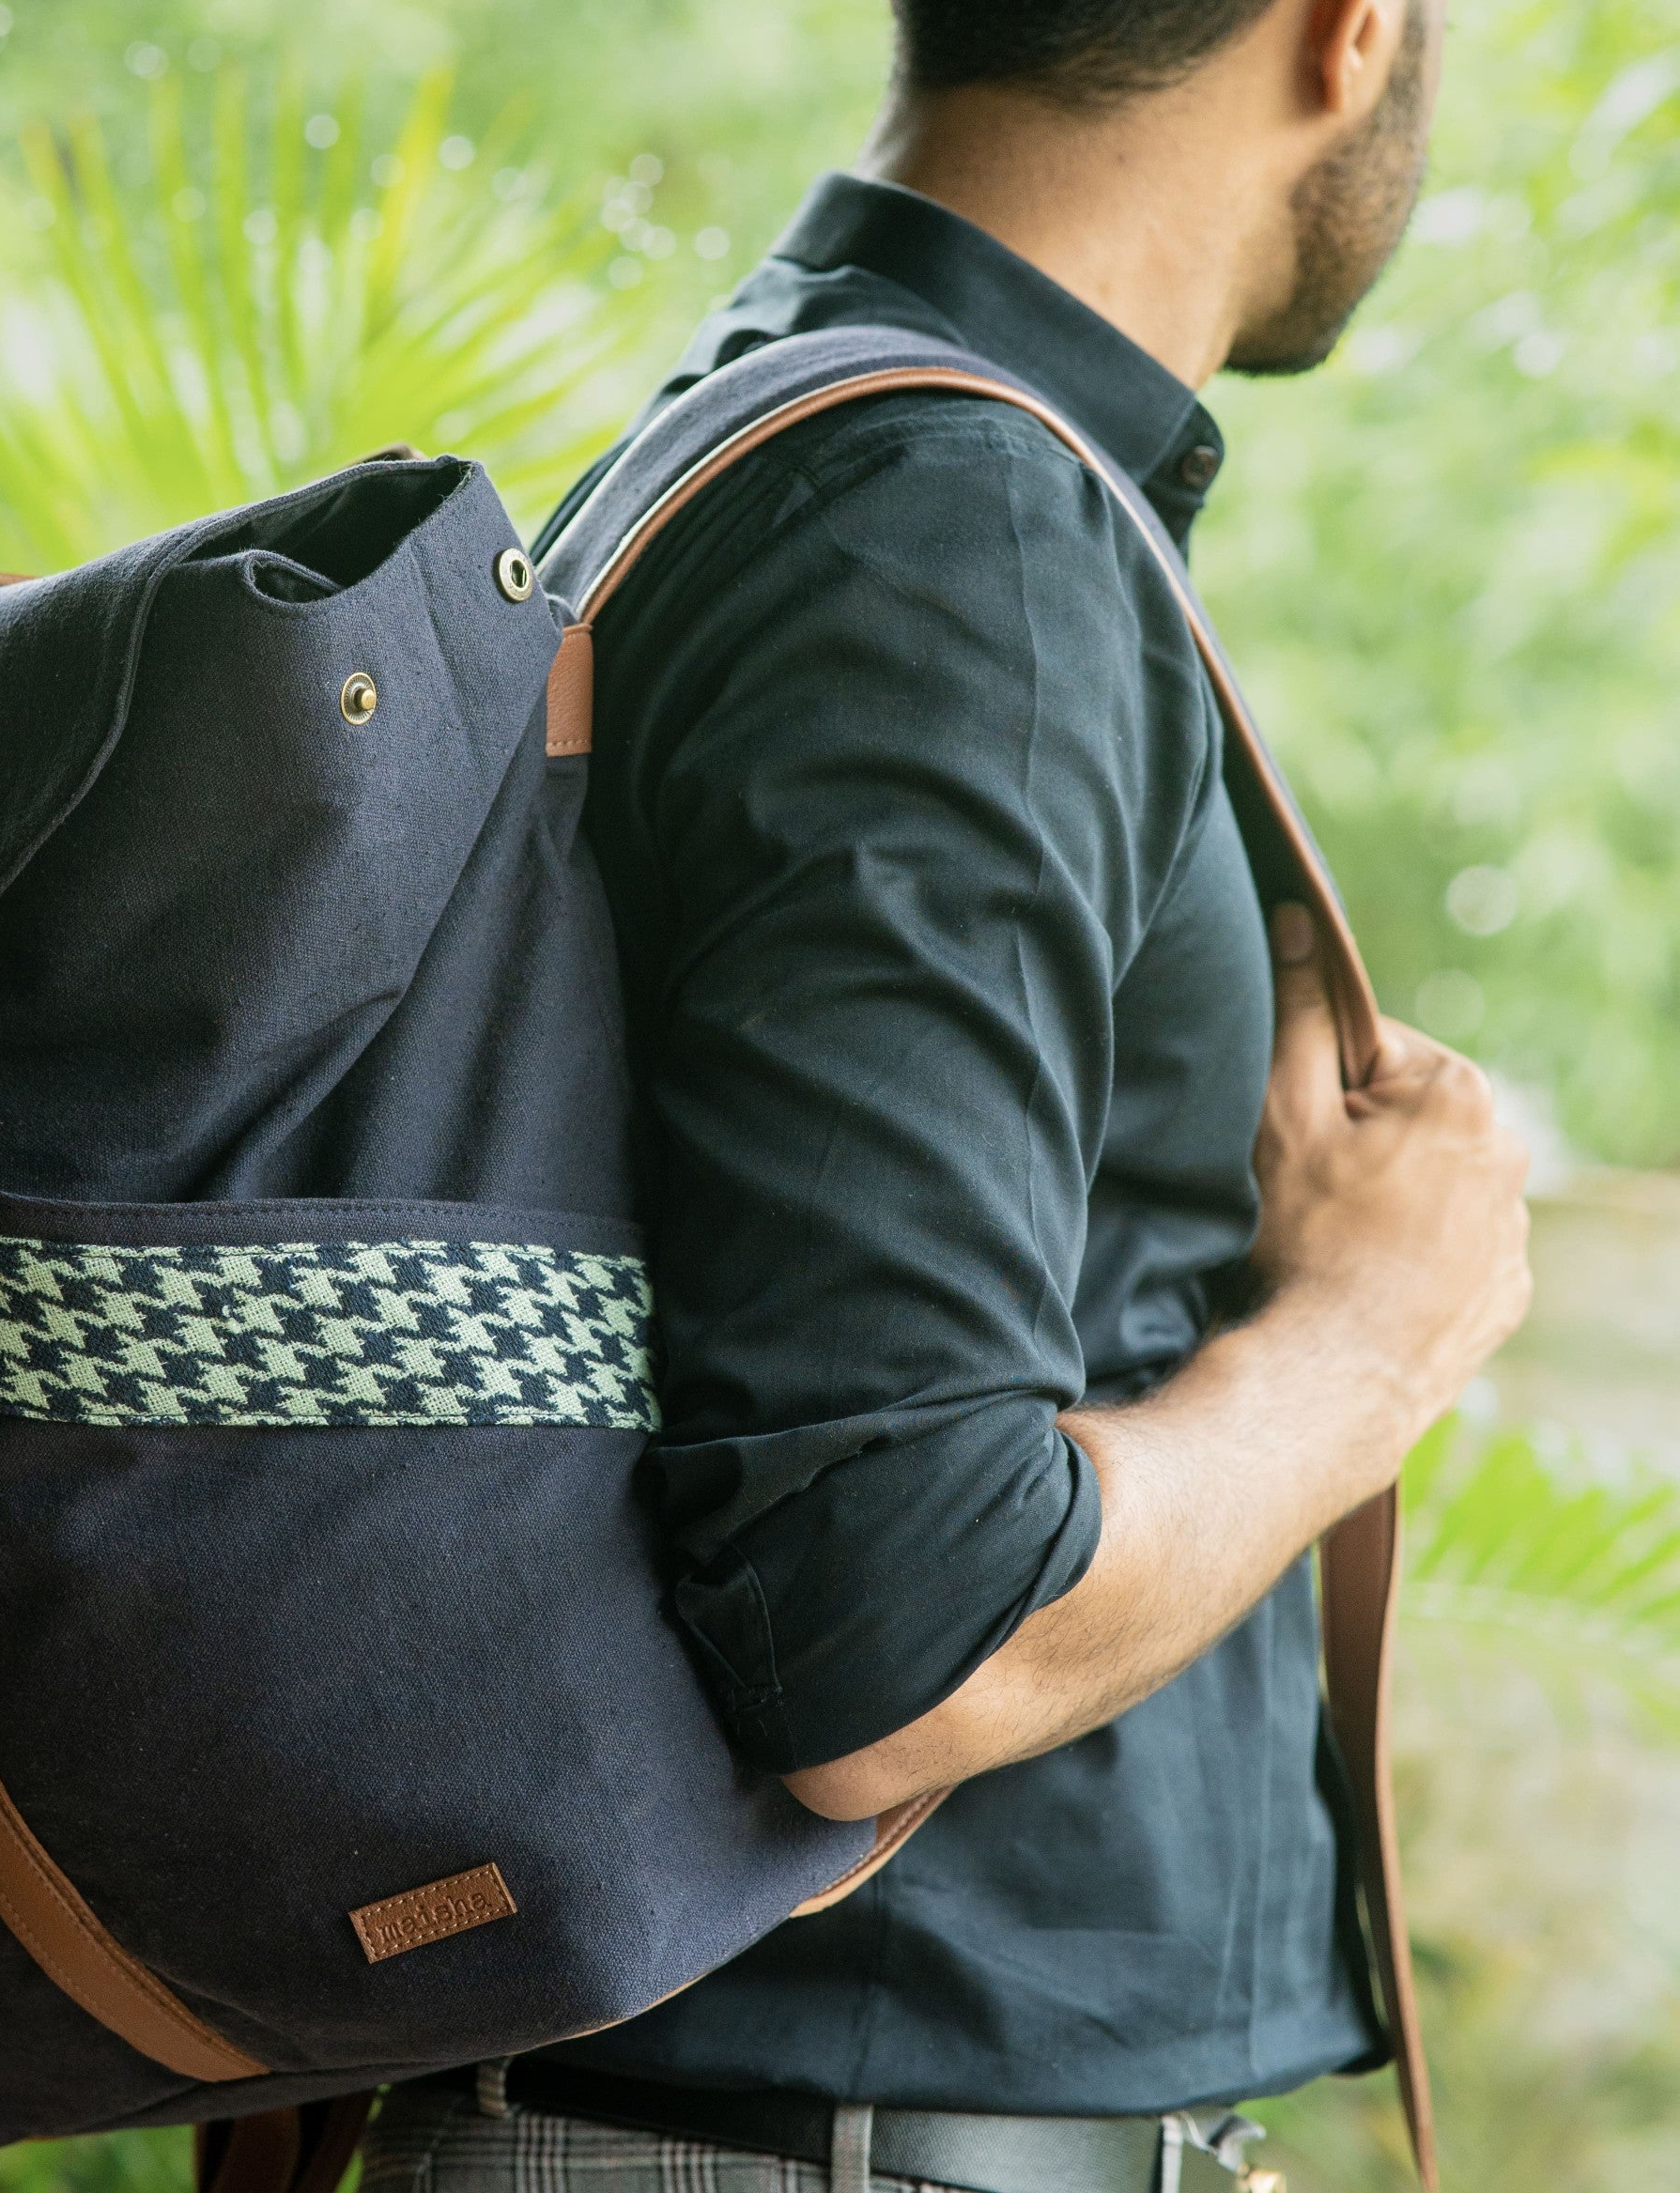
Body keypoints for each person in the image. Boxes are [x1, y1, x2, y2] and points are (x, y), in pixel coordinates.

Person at [363, 2, 1529, 2189]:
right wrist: (1376, 1331)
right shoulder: (946, 525)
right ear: (1343, 33)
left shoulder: (812, 425)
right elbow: (901, 1632)